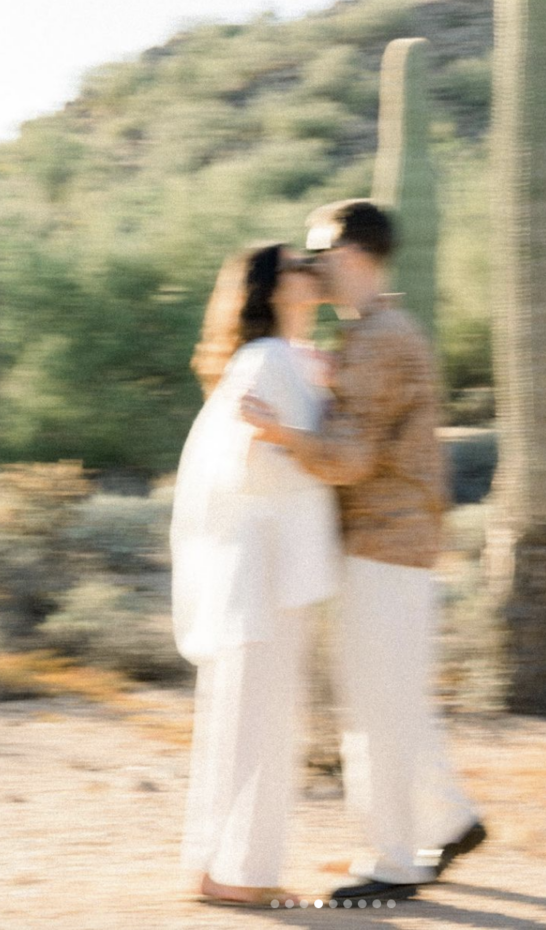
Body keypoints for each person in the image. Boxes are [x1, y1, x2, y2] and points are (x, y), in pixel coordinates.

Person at [241, 200, 487, 903]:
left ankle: (393, 862)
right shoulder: (376, 334)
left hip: (382, 541)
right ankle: (450, 820)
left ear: (349, 255)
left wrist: (281, 435)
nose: (311, 270)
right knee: (393, 693)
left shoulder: (380, 339)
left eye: (317, 256)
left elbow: (349, 458)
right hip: (393, 540)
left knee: (371, 704)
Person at [170, 242, 340, 907]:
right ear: (275, 288)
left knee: (243, 715)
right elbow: (252, 463)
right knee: (257, 718)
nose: (312, 271)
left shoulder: (278, 359)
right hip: (265, 565)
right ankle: (240, 875)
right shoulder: (268, 359)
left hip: (261, 563)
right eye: (300, 265)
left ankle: (217, 867)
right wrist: (317, 424)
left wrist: (317, 395)